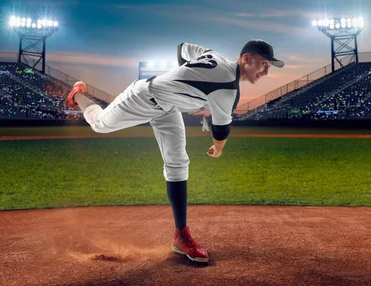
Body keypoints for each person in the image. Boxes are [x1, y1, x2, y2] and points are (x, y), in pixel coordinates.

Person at [65, 39, 284, 263]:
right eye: (264, 64)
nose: (266, 71)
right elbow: (220, 131)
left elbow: (182, 48)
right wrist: (217, 150)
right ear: (246, 58)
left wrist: (180, 82)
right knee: (100, 124)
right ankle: (78, 95)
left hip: (167, 107)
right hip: (143, 96)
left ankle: (181, 235)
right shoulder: (228, 88)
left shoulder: (214, 55)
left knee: (178, 163)